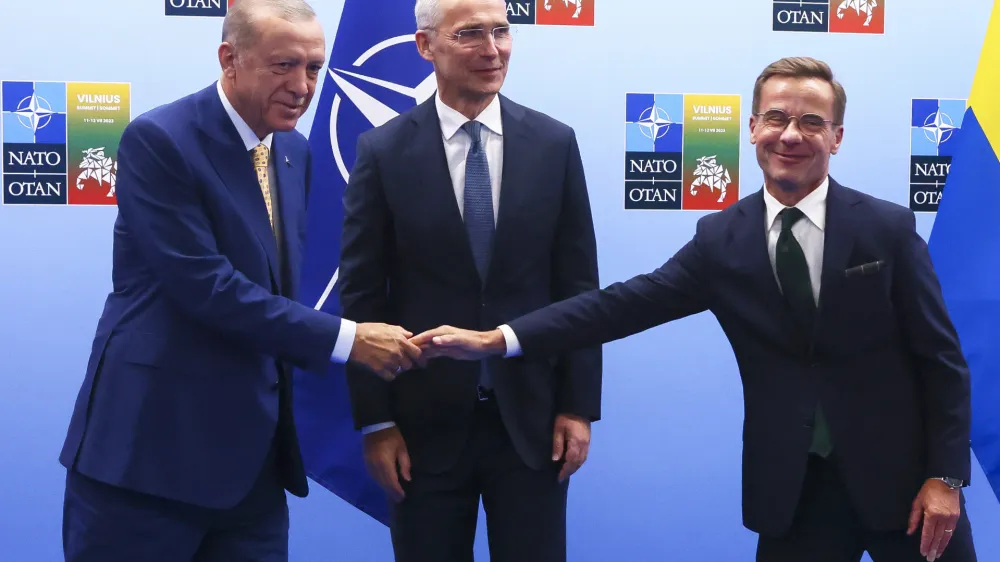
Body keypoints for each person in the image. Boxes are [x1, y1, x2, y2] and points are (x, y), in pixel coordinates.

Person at [414, 57, 978, 562]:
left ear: (837, 137)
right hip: (793, 493)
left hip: (909, 490)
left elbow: (942, 361)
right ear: (752, 127)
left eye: (812, 122)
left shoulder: (887, 229)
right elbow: (620, 306)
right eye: (777, 118)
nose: (791, 135)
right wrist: (501, 338)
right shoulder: (721, 240)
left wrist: (945, 477)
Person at [58, 1, 423, 560]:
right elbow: (208, 288)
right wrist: (350, 340)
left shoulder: (296, 153)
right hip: (149, 459)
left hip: (252, 471)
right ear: (229, 59)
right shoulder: (160, 140)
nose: (302, 86)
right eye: (283, 65)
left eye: (313, 68)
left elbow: (276, 290)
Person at [338, 0, 602, 560]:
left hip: (533, 426)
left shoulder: (555, 145)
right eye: (471, 34)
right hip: (419, 430)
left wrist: (578, 406)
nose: (492, 49)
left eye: (502, 31)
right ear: (425, 46)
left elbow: (579, 289)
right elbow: (361, 298)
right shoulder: (382, 152)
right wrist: (376, 421)